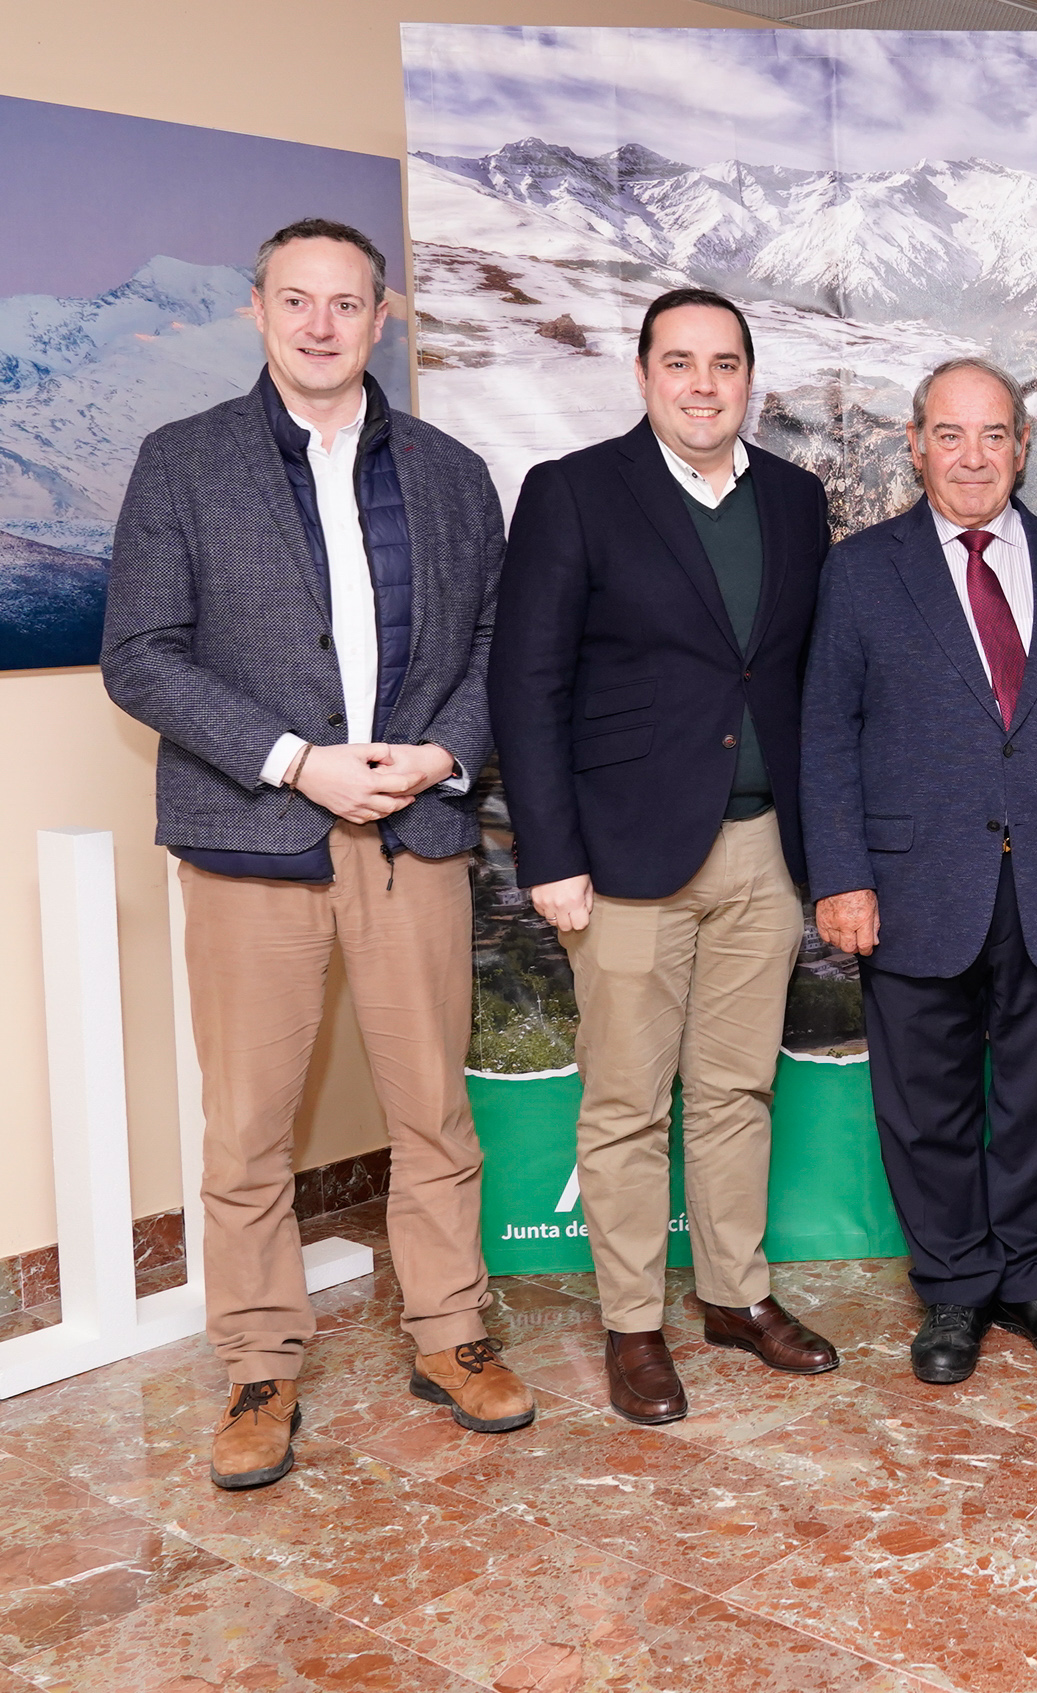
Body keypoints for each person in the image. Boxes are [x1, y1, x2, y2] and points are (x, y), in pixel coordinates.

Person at [102, 218, 530, 1489]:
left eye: (347, 303)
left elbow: (501, 647)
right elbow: (141, 653)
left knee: (434, 1114)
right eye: (298, 300)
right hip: (254, 836)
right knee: (245, 1128)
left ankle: (452, 1335)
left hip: (416, 834)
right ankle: (258, 1365)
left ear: (381, 319)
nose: (321, 323)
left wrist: (439, 755)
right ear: (257, 312)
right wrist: (297, 757)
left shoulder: (453, 473)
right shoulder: (183, 464)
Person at [491, 288, 838, 1426]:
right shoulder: (574, 492)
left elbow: (794, 683)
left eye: (724, 363)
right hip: (624, 858)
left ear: (751, 379)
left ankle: (736, 1298)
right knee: (629, 1101)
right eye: (679, 363)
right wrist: (551, 850)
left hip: (760, 850)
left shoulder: (794, 500)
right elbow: (527, 686)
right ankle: (633, 1325)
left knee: (737, 1087)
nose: (703, 384)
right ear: (643, 376)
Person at [801, 358, 1037, 1387]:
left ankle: (1036, 1281)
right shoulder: (861, 570)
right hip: (914, 878)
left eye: (992, 435)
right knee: (926, 1102)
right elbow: (826, 734)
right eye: (950, 434)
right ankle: (952, 1290)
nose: (972, 456)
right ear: (914, 441)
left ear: (1023, 446)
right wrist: (841, 876)